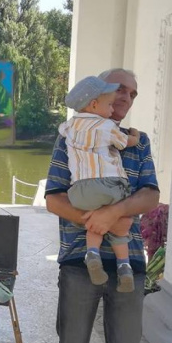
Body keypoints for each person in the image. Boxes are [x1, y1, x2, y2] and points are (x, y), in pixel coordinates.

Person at [44, 69, 160, 343]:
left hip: (129, 265)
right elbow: (54, 198)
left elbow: (149, 196)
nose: (125, 96)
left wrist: (116, 213)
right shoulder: (70, 136)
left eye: (132, 92)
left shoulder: (137, 143)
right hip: (80, 261)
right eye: (119, 89)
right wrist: (97, 220)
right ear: (101, 94)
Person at [57, 75, 140, 292]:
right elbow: (125, 143)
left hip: (80, 191)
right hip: (110, 186)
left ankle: (91, 254)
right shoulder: (106, 126)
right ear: (94, 104)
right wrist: (136, 137)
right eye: (110, 104)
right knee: (120, 226)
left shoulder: (69, 127)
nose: (113, 109)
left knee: (97, 214)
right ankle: (125, 268)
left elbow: (63, 133)